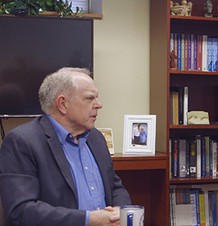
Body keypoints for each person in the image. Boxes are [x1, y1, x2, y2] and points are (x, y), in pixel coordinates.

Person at [0, 67, 131, 226]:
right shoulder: (22, 142)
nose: (99, 104)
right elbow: (22, 211)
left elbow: (115, 186)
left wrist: (120, 211)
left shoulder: (96, 138)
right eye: (90, 98)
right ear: (62, 104)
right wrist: (90, 220)